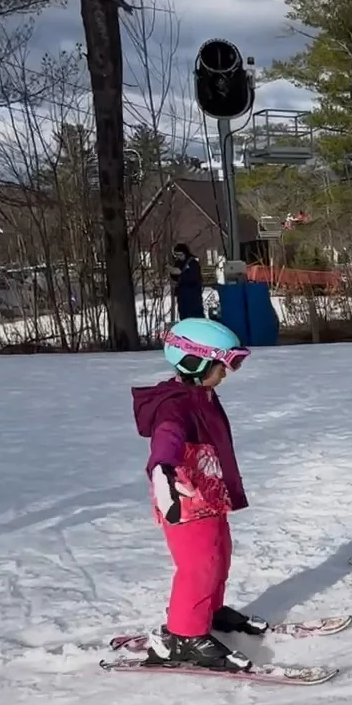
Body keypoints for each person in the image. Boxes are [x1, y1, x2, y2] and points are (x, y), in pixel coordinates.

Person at [131, 318, 255, 671]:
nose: (226, 374)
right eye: (222, 366)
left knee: (220, 555)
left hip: (209, 494)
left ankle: (209, 611)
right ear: (195, 362)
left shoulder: (200, 394)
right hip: (184, 499)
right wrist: (162, 470)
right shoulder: (174, 405)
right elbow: (166, 438)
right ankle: (185, 635)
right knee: (198, 565)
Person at [169, 243, 204, 320]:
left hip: (193, 298)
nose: (179, 257)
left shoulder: (193, 263)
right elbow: (176, 278)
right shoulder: (178, 263)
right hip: (182, 298)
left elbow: (193, 278)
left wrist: (181, 273)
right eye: (177, 255)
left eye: (180, 255)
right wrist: (172, 272)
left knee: (195, 318)